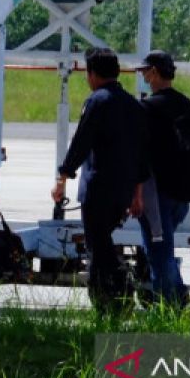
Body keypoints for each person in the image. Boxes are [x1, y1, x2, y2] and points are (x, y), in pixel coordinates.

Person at [51, 47, 148, 313]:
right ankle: (115, 293)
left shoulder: (97, 101)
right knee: (103, 241)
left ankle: (112, 294)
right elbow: (142, 154)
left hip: (98, 188)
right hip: (124, 191)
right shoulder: (134, 105)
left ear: (92, 74)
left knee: (97, 246)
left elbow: (81, 143)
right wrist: (137, 194)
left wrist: (63, 177)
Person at [136, 50, 190, 305]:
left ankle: (171, 309)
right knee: (162, 252)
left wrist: (135, 194)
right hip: (183, 195)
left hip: (157, 193)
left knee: (159, 254)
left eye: (145, 71)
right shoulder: (189, 106)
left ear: (154, 72)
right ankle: (181, 301)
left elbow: (141, 154)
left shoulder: (147, 108)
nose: (144, 76)